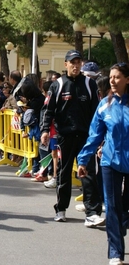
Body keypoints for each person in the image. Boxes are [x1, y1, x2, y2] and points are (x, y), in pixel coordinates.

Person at [40, 50, 104, 226]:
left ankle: (92, 213)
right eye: (72, 62)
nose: (76, 66)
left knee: (89, 173)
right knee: (64, 173)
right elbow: (48, 110)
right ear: (66, 64)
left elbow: (97, 112)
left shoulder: (90, 84)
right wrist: (45, 130)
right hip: (65, 136)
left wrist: (99, 136)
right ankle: (61, 209)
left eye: (78, 62)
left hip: (86, 137)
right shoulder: (58, 85)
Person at [77, 63, 129, 265]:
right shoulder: (104, 105)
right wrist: (83, 159)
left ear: (127, 79)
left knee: (124, 210)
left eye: (117, 77)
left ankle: (121, 224)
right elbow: (94, 135)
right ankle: (115, 252)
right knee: (113, 207)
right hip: (110, 161)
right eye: (111, 77)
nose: (113, 81)